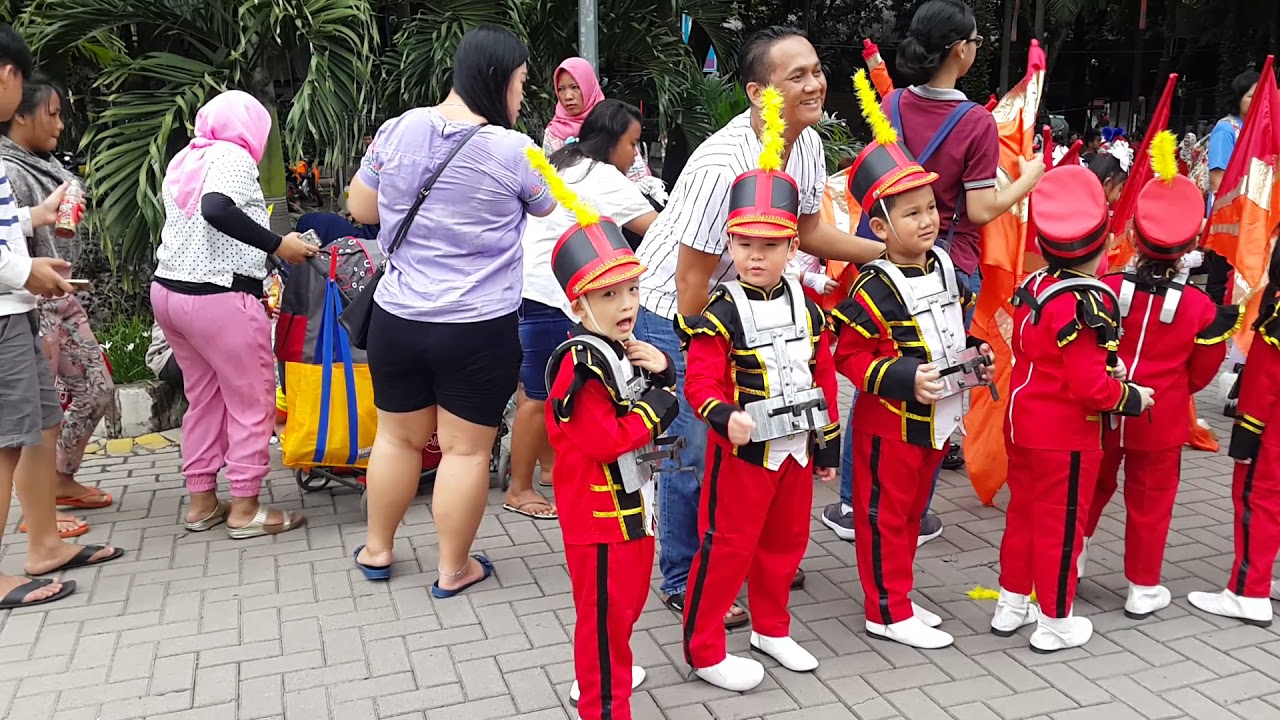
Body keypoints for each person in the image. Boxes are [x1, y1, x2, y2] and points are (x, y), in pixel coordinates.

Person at [634, 25, 886, 630]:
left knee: (759, 440)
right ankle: (680, 576)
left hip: (753, 308)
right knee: (694, 450)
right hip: (681, 311)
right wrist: (705, 357)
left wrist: (882, 250)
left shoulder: (807, 145)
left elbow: (808, 234)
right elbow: (691, 278)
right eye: (794, 75)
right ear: (757, 92)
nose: (815, 82)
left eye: (817, 70)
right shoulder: (720, 163)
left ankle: (742, 553)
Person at [822, 0, 1045, 536]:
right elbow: (978, 209)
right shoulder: (974, 122)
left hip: (881, 259)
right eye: (975, 42)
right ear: (960, 51)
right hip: (943, 265)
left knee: (880, 376)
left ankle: (857, 503)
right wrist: (1029, 179)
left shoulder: (894, 103)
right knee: (940, 377)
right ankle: (911, 509)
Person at [347, 26, 556, 594]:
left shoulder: (399, 127)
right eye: (520, 84)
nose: (521, 96)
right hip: (476, 327)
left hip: (398, 317)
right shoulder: (515, 151)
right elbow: (545, 207)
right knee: (466, 450)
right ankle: (452, 569)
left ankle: (378, 549)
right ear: (498, 81)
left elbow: (359, 204)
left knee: (395, 439)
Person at [677, 86, 840, 692]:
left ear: (792, 246)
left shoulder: (809, 303)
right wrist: (723, 418)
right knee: (726, 547)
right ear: (730, 241)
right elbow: (700, 380)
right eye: (744, 243)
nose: (754, 255)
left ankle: (772, 627)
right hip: (743, 453)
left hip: (796, 446)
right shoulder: (720, 308)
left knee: (787, 541)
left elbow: (822, 372)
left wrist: (827, 445)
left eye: (769, 245)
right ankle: (704, 646)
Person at [831, 71, 989, 649]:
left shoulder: (946, 265)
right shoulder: (870, 283)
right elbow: (848, 355)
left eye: (930, 208)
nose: (927, 221)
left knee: (914, 516)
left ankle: (900, 597)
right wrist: (902, 378)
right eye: (912, 213)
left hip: (939, 416)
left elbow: (955, 326)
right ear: (879, 227)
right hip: (889, 425)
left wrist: (977, 356)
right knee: (883, 517)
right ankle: (885, 610)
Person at [536, 150, 678, 720]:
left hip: (632, 506)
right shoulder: (579, 364)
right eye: (608, 295)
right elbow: (603, 439)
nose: (626, 305)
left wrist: (660, 369)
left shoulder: (619, 350)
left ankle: (610, 665)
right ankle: (602, 701)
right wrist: (665, 401)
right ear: (578, 303)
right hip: (596, 520)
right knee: (601, 613)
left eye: (630, 291)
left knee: (624, 604)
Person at [993, 165, 1154, 652]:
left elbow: (1052, 358)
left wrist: (1107, 372)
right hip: (1065, 434)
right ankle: (1056, 621)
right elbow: (1088, 388)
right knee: (1062, 527)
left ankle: (1011, 604)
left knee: (1022, 515)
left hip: (1023, 423)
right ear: (1102, 247)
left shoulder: (1037, 284)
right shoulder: (1086, 301)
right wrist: (1131, 397)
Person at [1079, 132, 1240, 618]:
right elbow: (1201, 376)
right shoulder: (1198, 306)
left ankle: (1074, 559)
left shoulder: (1104, 285)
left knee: (1092, 486)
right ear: (1190, 245)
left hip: (1104, 405)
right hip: (1161, 415)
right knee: (1150, 503)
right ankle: (1142, 587)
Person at [152, 89, 316, 538]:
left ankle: (202, 502)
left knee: (205, 398)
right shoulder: (234, 157)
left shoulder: (187, 157)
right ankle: (245, 507)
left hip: (169, 294)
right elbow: (216, 208)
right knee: (252, 399)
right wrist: (278, 244)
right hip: (220, 298)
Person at [0, 23, 123, 607]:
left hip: (20, 303)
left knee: (43, 420)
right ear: (8, 74)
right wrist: (29, 272)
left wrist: (33, 222)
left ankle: (44, 543)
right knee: (7, 437)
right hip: (10, 305)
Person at [508, 99, 659, 521]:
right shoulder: (605, 176)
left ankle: (545, 469)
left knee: (537, 389)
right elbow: (659, 230)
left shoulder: (566, 160)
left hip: (531, 289)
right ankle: (519, 489)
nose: (635, 154)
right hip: (555, 294)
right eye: (633, 144)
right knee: (539, 398)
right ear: (612, 141)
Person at [1188, 240, 1280, 626]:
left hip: (1273, 435)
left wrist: (1246, 434)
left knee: (1258, 504)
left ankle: (1248, 592)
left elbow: (1264, 381)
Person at [543, 57, 650, 181]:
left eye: (575, 87)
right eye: (561, 89)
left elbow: (637, 175)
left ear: (588, 86)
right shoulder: (553, 134)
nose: (568, 96)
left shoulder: (611, 122)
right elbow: (547, 179)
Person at [1204, 70, 1260, 305]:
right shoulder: (1227, 129)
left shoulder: (1259, 130)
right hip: (1228, 217)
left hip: (1252, 217)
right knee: (1221, 276)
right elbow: (1218, 180)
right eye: (1250, 96)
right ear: (1238, 98)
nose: (1256, 102)